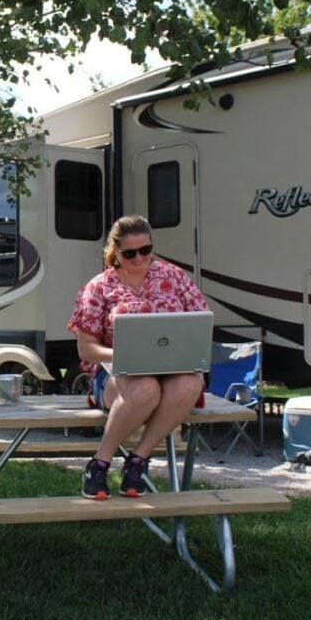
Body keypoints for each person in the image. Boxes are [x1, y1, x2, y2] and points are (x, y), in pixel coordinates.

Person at [67, 214, 208, 499]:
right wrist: (126, 354)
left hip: (170, 368)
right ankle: (100, 464)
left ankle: (137, 461)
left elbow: (200, 322)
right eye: (130, 253)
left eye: (145, 250)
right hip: (115, 372)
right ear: (115, 251)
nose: (139, 258)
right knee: (145, 388)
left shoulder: (174, 277)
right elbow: (86, 350)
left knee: (190, 384)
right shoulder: (99, 287)